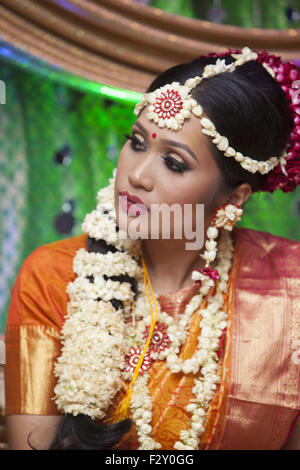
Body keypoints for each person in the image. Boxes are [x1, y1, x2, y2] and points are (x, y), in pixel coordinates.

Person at [4, 46, 300, 450]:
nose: (137, 175)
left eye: (174, 163)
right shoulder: (54, 276)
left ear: (234, 198)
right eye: (137, 142)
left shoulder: (291, 285)